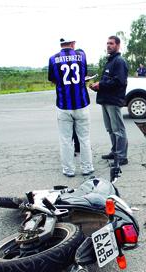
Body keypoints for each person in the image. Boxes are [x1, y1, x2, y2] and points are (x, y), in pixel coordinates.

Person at [48, 38, 94, 177]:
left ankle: (68, 170)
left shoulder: (53, 59)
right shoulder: (82, 56)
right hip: (81, 104)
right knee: (84, 138)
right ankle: (87, 167)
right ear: (73, 43)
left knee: (66, 140)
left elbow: (53, 79)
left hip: (63, 105)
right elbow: (84, 74)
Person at [89, 36, 128, 166]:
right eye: (107, 43)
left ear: (118, 45)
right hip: (105, 100)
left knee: (118, 130)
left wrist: (101, 85)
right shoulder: (110, 61)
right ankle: (115, 152)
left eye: (111, 43)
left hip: (114, 100)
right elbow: (107, 81)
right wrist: (97, 86)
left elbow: (119, 81)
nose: (108, 46)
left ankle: (122, 157)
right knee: (111, 129)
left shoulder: (119, 61)